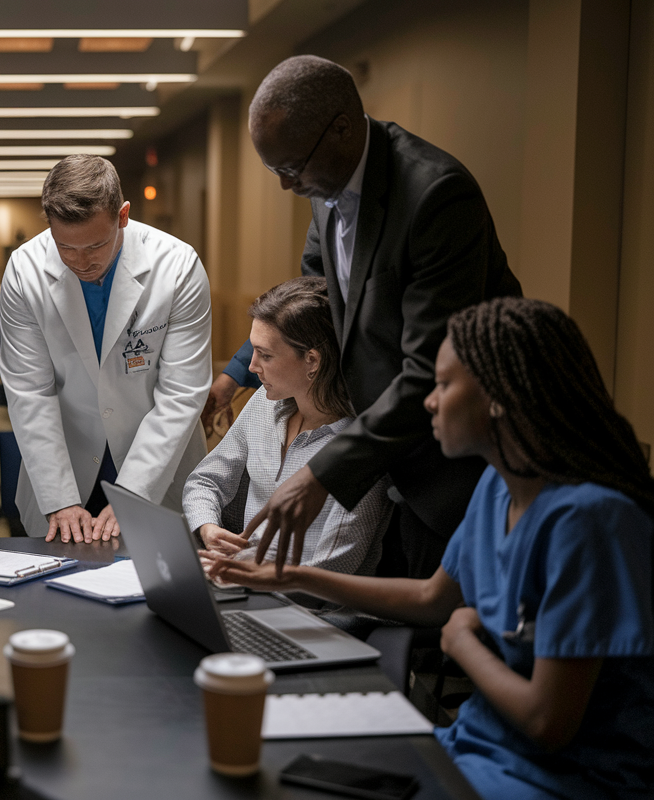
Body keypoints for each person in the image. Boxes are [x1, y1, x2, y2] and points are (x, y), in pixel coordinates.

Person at [203, 297, 654, 799]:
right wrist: (293, 576)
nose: (430, 403)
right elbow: (431, 600)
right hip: (474, 744)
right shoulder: (497, 489)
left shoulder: (590, 521)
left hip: (566, 779)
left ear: (499, 396)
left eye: (443, 385)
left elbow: (547, 721)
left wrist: (460, 641)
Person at [201, 56, 521, 578]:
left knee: (432, 630)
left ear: (342, 130)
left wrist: (320, 473)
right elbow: (308, 303)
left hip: (442, 463)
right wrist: (240, 370)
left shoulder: (436, 197)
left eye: (290, 169)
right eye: (274, 170)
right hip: (378, 452)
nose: (286, 186)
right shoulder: (326, 189)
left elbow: (426, 369)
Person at [0, 155, 212, 543]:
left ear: (123, 216)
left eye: (95, 245)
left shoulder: (177, 266)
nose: (81, 262)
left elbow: (181, 394)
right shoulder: (24, 270)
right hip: (65, 462)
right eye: (65, 247)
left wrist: (134, 492)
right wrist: (59, 498)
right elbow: (30, 391)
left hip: (155, 466)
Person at [184, 277, 390, 575]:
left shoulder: (359, 446)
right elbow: (205, 481)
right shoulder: (263, 405)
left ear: (312, 361)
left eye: (265, 355)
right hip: (240, 582)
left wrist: (238, 571)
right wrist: (208, 528)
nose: (252, 367)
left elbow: (335, 567)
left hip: (311, 609)